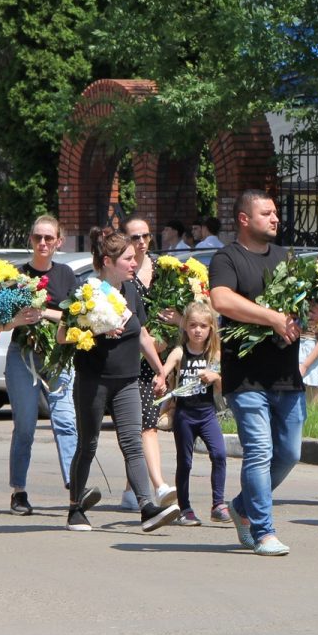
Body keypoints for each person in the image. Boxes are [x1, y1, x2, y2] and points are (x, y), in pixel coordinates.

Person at [62, 227, 179, 534]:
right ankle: (75, 508)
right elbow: (63, 335)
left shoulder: (131, 292)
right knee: (88, 444)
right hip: (94, 380)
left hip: (127, 380)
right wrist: (93, 329)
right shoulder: (85, 293)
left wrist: (160, 370)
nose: (133, 262)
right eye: (127, 258)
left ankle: (147, 508)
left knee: (132, 443)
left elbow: (142, 335)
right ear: (108, 261)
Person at [208, 190, 304, 556]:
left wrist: (313, 313)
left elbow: (302, 305)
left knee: (289, 453)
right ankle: (264, 532)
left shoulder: (286, 258)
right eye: (267, 213)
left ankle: (241, 506)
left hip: (286, 374)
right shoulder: (227, 258)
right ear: (244, 219)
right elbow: (222, 300)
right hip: (246, 377)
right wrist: (272, 318)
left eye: (276, 212)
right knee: (260, 450)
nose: (276, 218)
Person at [5, 215, 81, 515]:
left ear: (58, 241)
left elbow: (76, 315)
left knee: (66, 421)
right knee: (25, 426)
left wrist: (45, 313)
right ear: (31, 239)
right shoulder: (16, 275)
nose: (43, 243)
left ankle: (75, 487)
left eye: (49, 238)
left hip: (58, 356)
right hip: (22, 356)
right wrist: (17, 320)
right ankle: (19, 491)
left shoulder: (65, 274)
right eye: (38, 237)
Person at [121, 217, 178, 512]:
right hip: (133, 358)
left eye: (145, 236)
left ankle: (131, 490)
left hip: (160, 358)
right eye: (135, 237)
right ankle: (159, 485)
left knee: (142, 425)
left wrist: (175, 325)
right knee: (147, 426)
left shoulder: (163, 270)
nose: (141, 242)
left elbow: (184, 309)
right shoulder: (123, 275)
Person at [162, 301, 229, 527]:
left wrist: (216, 377)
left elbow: (224, 388)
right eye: (192, 325)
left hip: (207, 414)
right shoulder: (180, 352)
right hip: (184, 415)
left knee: (219, 454)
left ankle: (218, 505)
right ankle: (185, 509)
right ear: (185, 327)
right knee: (185, 462)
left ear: (211, 328)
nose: (198, 330)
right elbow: (164, 371)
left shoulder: (214, 354)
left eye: (203, 326)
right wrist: (160, 380)